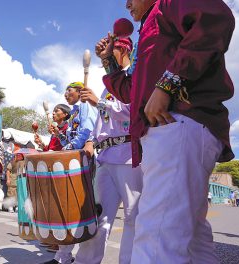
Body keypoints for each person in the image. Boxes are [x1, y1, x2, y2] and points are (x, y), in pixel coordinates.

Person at [99, 0, 235, 262]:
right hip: (171, 131)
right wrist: (108, 61)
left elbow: (214, 19)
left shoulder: (169, 3)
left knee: (156, 236)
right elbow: (131, 91)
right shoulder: (146, 31)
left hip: (180, 122)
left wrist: (167, 85)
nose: (126, 4)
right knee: (193, 238)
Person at [74, 36, 143, 264]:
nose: (106, 59)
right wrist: (91, 141)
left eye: (111, 53)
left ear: (124, 50)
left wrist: (99, 102)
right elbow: (100, 122)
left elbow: (134, 111)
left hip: (128, 156)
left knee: (133, 216)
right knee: (99, 217)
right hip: (106, 158)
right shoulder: (109, 86)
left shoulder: (136, 77)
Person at [43, 82, 97, 264]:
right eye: (65, 91)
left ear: (80, 91)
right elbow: (71, 138)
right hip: (72, 158)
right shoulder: (75, 112)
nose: (66, 94)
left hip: (81, 160)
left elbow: (87, 131)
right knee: (67, 209)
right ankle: (62, 257)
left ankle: (80, 258)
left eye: (70, 91)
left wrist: (68, 147)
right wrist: (59, 135)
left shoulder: (85, 106)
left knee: (79, 210)